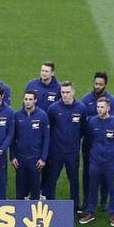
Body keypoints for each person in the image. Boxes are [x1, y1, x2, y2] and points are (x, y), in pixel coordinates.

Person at [44, 80, 88, 212]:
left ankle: (75, 208)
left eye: (68, 92)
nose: (65, 95)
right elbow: (49, 129)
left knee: (74, 180)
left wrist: (73, 140)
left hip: (72, 152)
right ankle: (49, 207)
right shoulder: (53, 109)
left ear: (73, 92)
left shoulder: (81, 108)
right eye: (63, 92)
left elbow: (83, 130)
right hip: (56, 152)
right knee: (51, 179)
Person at [80, 96, 114, 225]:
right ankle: (91, 212)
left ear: (108, 108)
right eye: (98, 107)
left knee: (112, 188)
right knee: (92, 187)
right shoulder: (92, 122)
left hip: (110, 162)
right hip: (95, 161)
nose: (99, 109)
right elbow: (89, 139)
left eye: (102, 107)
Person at [80, 72, 114, 207]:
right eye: (96, 83)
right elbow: (83, 122)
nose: (97, 86)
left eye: (100, 84)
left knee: (106, 174)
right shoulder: (85, 100)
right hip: (89, 143)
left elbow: (112, 123)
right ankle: (87, 200)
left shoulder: (112, 100)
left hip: (107, 145)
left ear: (105, 84)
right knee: (87, 173)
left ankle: (103, 200)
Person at [10, 89, 49, 200]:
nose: (27, 101)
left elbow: (46, 138)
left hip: (35, 159)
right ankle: (20, 209)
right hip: (20, 159)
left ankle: (34, 209)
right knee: (20, 189)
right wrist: (12, 157)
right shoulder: (17, 115)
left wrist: (43, 158)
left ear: (35, 100)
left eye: (30, 99)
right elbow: (12, 138)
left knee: (35, 189)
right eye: (26, 99)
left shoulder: (42, 116)